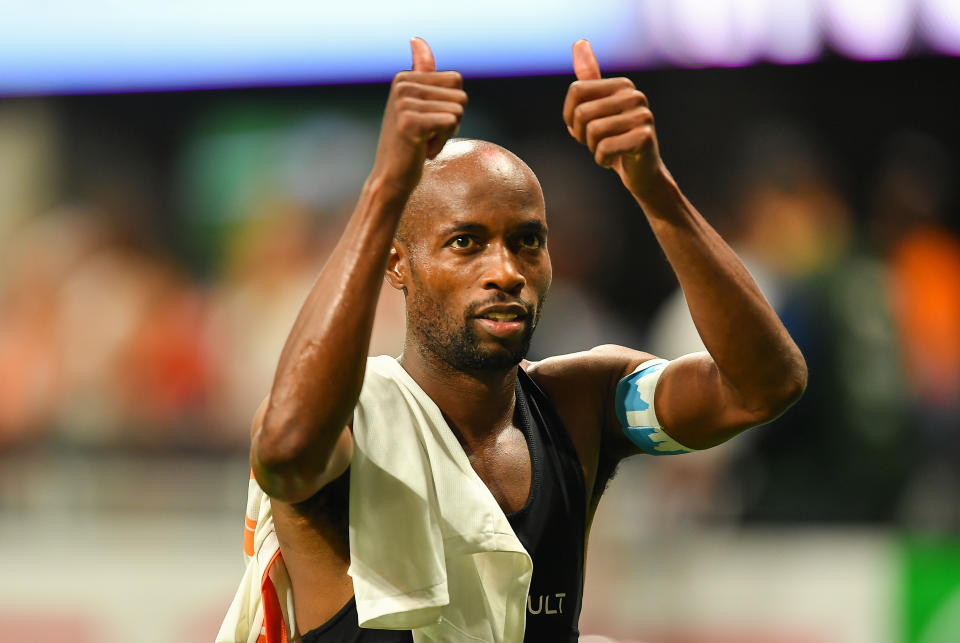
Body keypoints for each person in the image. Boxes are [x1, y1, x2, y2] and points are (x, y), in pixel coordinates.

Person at [221, 38, 807, 642]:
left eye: (528, 241)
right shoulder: (352, 423)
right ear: (398, 265)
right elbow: (287, 449)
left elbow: (763, 386)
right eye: (465, 242)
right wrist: (384, 189)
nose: (506, 270)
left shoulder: (581, 404)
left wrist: (653, 188)